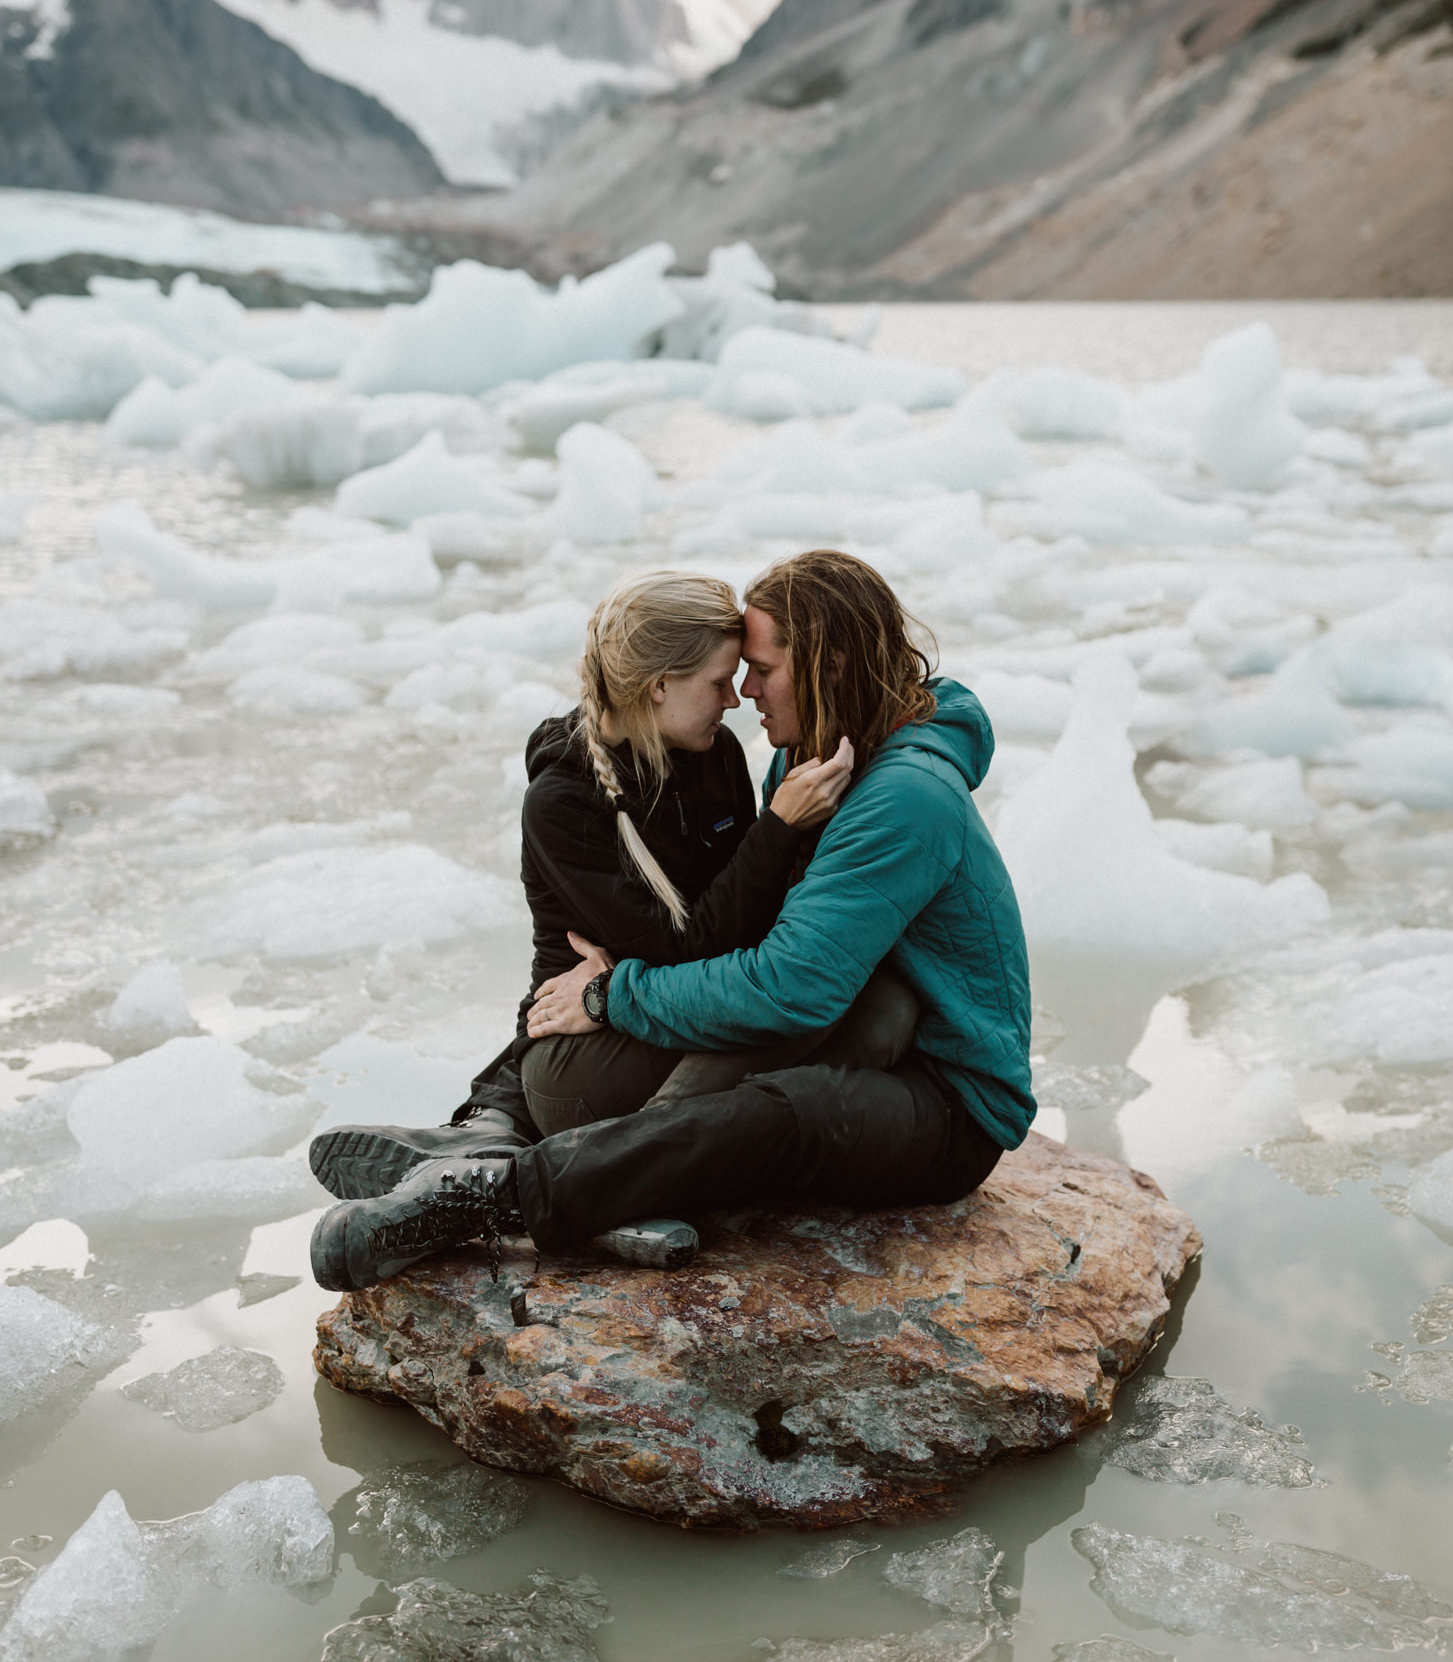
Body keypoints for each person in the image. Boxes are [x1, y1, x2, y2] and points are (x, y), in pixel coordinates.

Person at [311, 551, 1032, 1293]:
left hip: (950, 1103)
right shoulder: (805, 767)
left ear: (830, 663)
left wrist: (608, 995)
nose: (745, 693)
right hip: (834, 1040)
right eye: (731, 676)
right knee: (823, 1053)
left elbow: (784, 980)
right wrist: (589, 1003)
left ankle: (497, 1193)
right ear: (658, 685)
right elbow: (757, 952)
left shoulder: (902, 792)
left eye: (759, 669)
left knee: (798, 1099)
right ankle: (548, 1159)